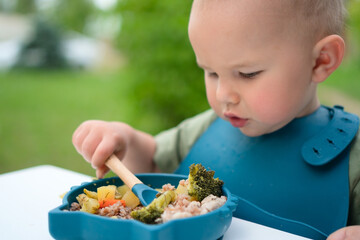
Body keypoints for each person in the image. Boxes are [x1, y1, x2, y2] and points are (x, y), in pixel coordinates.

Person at [72, 0, 360, 239]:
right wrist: (125, 140)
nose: (223, 94)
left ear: (321, 60)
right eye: (211, 72)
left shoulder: (352, 158)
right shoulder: (207, 128)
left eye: (248, 74)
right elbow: (151, 162)